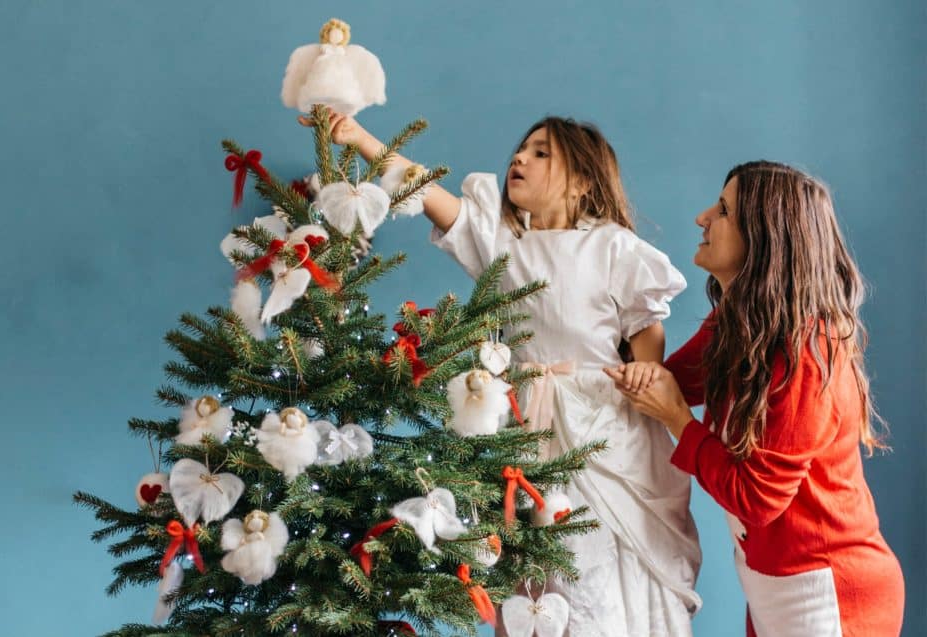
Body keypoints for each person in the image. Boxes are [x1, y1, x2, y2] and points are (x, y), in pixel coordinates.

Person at [302, 111, 702, 636]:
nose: (520, 157)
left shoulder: (615, 249)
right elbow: (421, 187)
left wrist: (643, 382)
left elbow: (649, 368)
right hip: (523, 430)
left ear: (582, 182)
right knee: (533, 579)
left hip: (605, 439)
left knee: (599, 570)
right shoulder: (501, 239)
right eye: (522, 148)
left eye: (542, 153)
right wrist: (358, 138)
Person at [605, 161, 905, 636]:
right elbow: (664, 382)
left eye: (723, 210)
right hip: (771, 586)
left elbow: (757, 498)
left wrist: (680, 420)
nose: (702, 217)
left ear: (765, 239)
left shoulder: (807, 350)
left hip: (831, 593)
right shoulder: (737, 328)